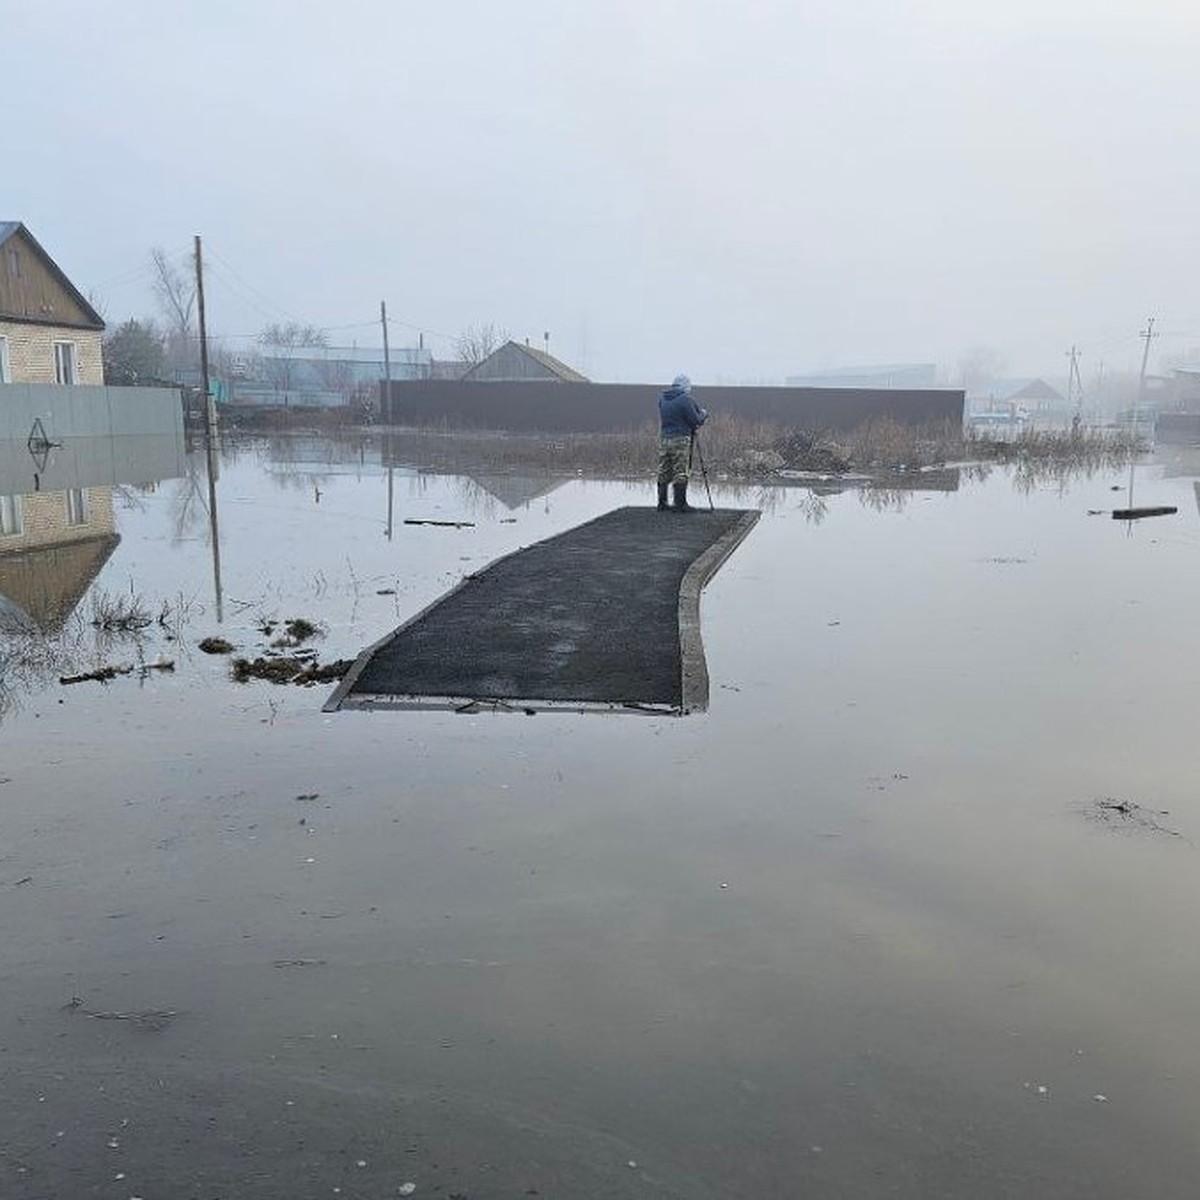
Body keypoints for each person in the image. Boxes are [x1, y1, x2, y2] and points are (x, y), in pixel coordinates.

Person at [657, 373, 707, 512]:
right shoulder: (685, 399)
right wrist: (703, 413)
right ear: (686, 386)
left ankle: (662, 503)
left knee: (664, 469)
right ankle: (680, 504)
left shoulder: (662, 399)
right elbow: (696, 420)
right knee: (681, 470)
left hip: (664, 438)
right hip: (681, 439)